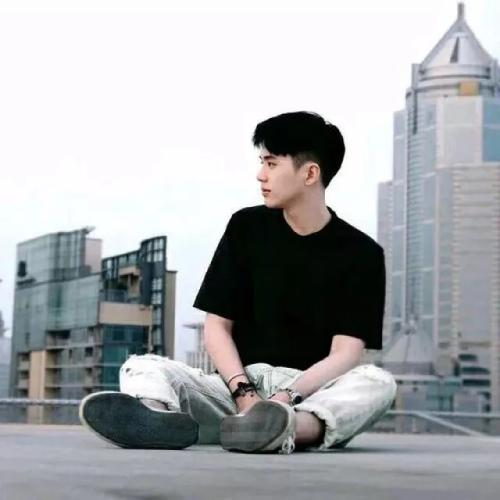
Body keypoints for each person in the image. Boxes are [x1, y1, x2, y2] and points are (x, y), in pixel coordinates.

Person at [79, 111, 397, 455]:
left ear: (310, 173)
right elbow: (216, 326)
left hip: (309, 394)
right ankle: (157, 418)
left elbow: (346, 353)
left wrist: (284, 399)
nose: (261, 175)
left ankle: (287, 427)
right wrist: (245, 395)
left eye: (271, 164)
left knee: (377, 382)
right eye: (262, 163)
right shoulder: (246, 228)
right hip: (235, 389)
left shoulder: (362, 253)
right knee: (143, 365)